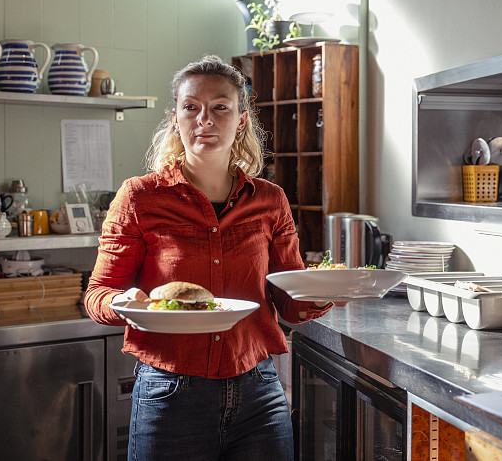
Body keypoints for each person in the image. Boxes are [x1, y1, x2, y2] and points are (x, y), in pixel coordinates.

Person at [84, 54, 338, 461]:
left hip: (259, 391)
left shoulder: (270, 201)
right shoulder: (139, 197)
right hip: (170, 392)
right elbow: (99, 292)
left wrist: (327, 292)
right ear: (175, 118)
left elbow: (291, 301)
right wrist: (122, 302)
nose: (205, 119)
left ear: (240, 120)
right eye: (191, 107)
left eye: (220, 107)